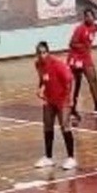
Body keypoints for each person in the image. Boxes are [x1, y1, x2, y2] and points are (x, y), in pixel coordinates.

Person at [34, 41, 77, 170]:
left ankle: (71, 158)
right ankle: (48, 158)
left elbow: (69, 80)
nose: (42, 55)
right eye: (39, 53)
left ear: (48, 52)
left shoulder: (57, 65)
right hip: (49, 99)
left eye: (44, 52)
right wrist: (40, 88)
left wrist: (71, 100)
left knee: (65, 126)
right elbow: (43, 78)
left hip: (63, 100)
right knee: (47, 126)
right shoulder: (38, 65)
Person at [67, 8, 97, 123]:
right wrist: (83, 47)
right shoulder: (80, 29)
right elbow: (72, 43)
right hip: (76, 58)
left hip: (86, 58)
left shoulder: (93, 26)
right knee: (77, 83)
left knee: (93, 79)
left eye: (91, 16)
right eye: (87, 16)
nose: (89, 18)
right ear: (84, 18)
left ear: (93, 17)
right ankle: (72, 109)